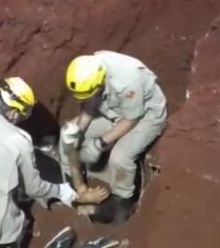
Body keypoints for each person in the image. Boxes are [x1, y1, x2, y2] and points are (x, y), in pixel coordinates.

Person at [0, 77, 107, 248]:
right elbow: (35, 188)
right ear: (13, 112)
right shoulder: (19, 141)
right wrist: (65, 192)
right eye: (24, 112)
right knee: (12, 227)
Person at [59, 50, 167, 224]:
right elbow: (90, 104)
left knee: (120, 158)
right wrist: (78, 130)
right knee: (67, 135)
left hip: (145, 114)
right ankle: (78, 189)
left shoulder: (128, 80)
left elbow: (132, 119)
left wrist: (99, 143)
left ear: (100, 83)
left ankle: (123, 203)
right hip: (113, 110)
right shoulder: (88, 73)